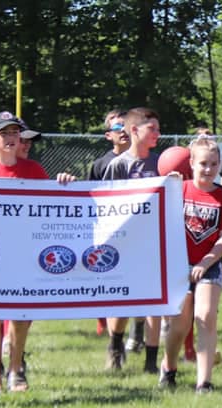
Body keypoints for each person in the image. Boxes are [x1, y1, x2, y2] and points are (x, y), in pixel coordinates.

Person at [0, 111, 75, 394]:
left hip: (24, 253)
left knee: (22, 316)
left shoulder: (34, 171)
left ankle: (15, 369)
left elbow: (52, 208)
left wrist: (63, 184)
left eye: (14, 133)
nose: (11, 138)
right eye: (4, 133)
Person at [159, 137, 222, 392]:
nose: (208, 169)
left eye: (214, 164)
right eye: (203, 163)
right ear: (191, 163)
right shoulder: (178, 190)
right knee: (180, 325)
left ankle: (204, 381)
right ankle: (168, 367)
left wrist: (207, 260)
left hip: (209, 265)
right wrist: (165, 184)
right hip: (179, 265)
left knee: (205, 317)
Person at [90, 107, 162, 372]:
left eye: (157, 128)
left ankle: (152, 361)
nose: (157, 133)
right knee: (123, 300)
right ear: (134, 130)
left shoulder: (161, 163)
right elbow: (106, 205)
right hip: (124, 243)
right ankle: (116, 344)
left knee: (156, 301)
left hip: (155, 242)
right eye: (151, 128)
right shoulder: (118, 166)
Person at [87, 109, 130, 337]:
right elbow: (90, 197)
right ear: (108, 135)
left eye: (126, 125)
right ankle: (104, 321)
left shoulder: (140, 161)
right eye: (116, 127)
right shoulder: (100, 164)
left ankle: (136, 332)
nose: (122, 130)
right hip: (107, 231)